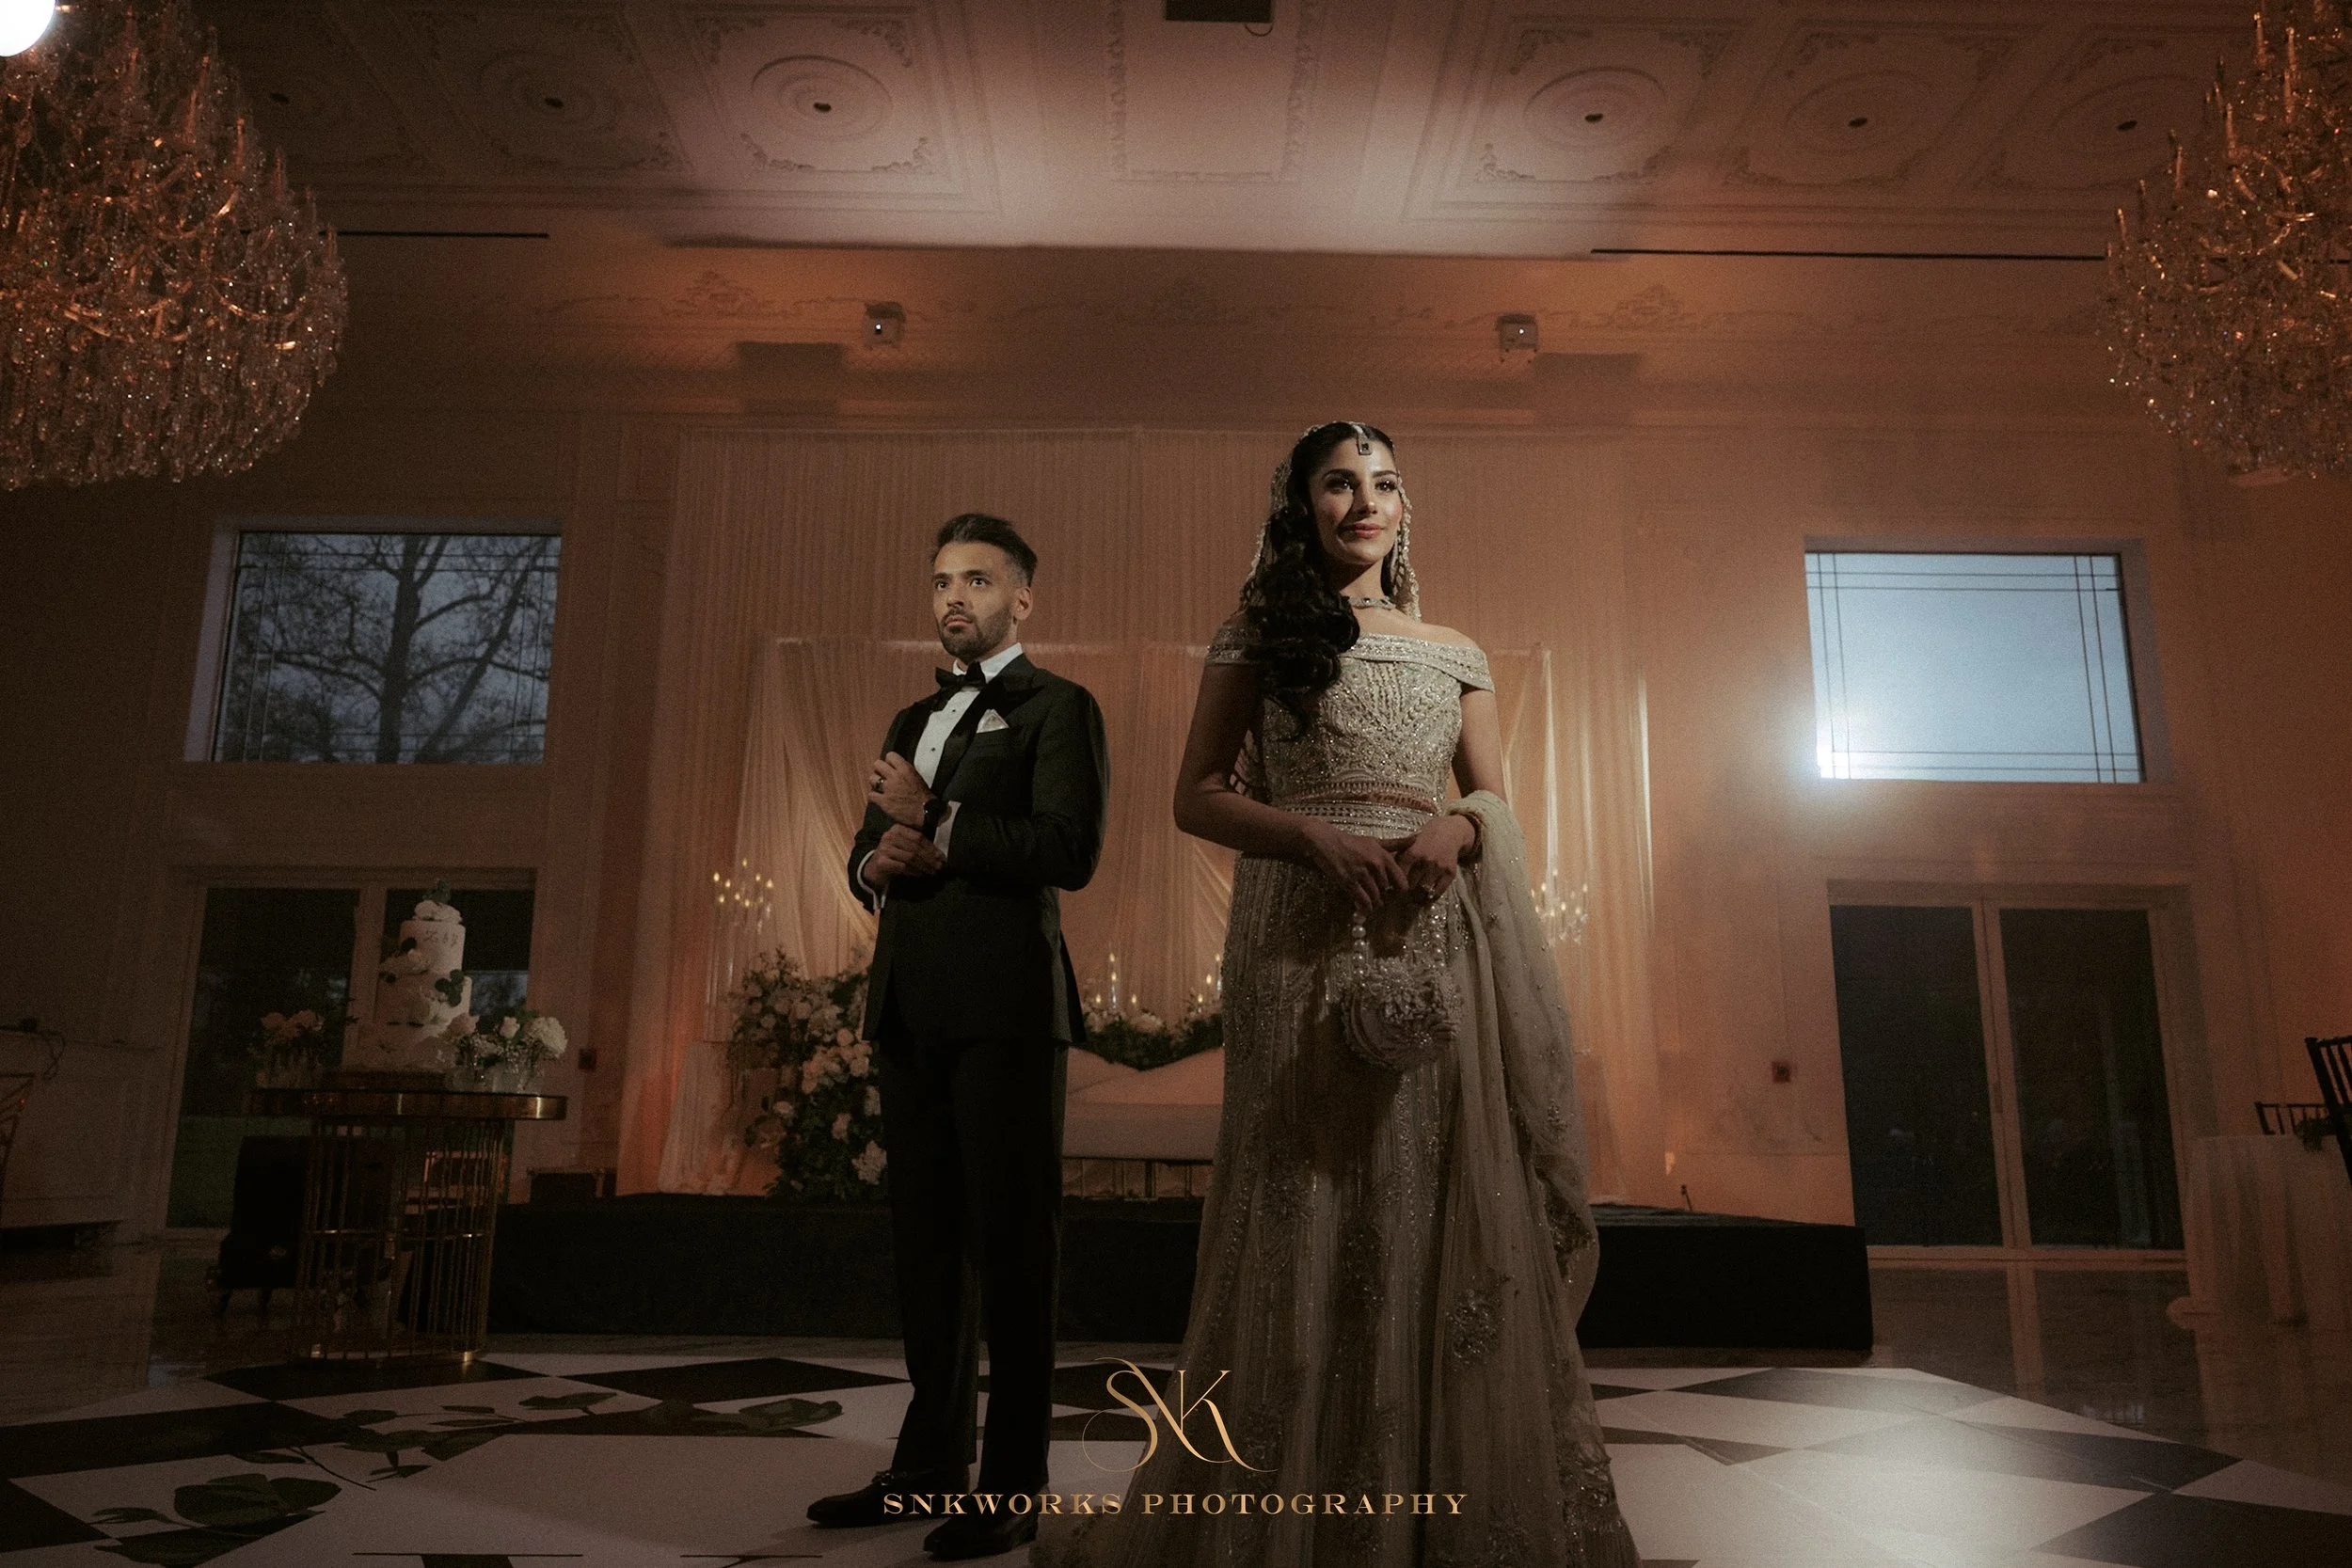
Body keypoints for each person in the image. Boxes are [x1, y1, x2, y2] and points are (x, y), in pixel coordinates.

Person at [1035, 424, 1637, 1566]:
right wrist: (1312, 838)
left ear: (1406, 509)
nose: (1365, 500)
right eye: (1339, 481)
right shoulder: (1257, 633)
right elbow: (1195, 795)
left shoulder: (1455, 651)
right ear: (1299, 505)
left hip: (1428, 935)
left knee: (1435, 1193)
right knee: (1302, 1196)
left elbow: (1495, 801)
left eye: (1385, 482)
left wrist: (1459, 826)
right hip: (1298, 939)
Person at [810, 513, 1109, 1562]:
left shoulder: (1060, 707)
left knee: (1015, 1250)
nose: (954, 596)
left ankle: (1012, 1484)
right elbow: (869, 843)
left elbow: (1068, 849)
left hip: (1007, 1009)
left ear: (1022, 598)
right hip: (908, 1004)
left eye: (978, 580)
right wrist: (873, 863)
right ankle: (928, 1464)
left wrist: (936, 817)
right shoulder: (911, 711)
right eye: (942, 579)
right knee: (926, 1248)